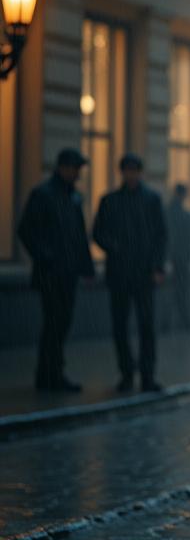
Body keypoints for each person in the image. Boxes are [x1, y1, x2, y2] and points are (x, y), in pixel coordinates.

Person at [17, 148, 95, 392]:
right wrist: (47, 257)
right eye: (75, 169)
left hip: (68, 274)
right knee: (53, 324)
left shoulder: (73, 197)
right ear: (64, 168)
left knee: (61, 323)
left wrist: (87, 268)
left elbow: (79, 236)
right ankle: (49, 375)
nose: (78, 174)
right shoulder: (43, 194)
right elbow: (26, 230)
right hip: (50, 274)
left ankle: (52, 373)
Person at [93, 154, 167, 392]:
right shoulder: (110, 201)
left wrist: (157, 267)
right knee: (120, 327)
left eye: (134, 170)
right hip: (119, 274)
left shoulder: (151, 200)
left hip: (144, 274)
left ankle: (147, 375)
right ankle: (126, 373)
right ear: (122, 172)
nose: (131, 175)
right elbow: (97, 232)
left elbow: (161, 236)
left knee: (146, 326)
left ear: (140, 172)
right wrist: (114, 247)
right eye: (127, 170)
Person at [166, 183, 190, 329]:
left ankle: (171, 322)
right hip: (180, 258)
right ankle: (184, 321)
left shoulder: (169, 213)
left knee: (176, 291)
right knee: (181, 291)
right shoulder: (185, 216)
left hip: (174, 258)